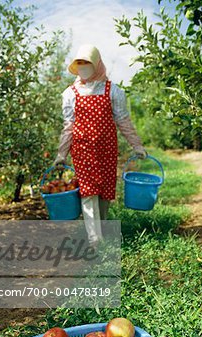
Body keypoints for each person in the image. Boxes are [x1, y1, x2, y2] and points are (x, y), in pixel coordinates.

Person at [53, 44, 147, 246]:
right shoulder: (70, 94)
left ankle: (101, 228)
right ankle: (94, 238)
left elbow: (123, 121)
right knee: (88, 190)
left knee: (104, 190)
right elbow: (68, 126)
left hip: (106, 148)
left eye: (87, 62)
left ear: (96, 64)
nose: (83, 66)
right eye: (80, 63)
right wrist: (62, 153)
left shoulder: (112, 90)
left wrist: (136, 145)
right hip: (82, 149)